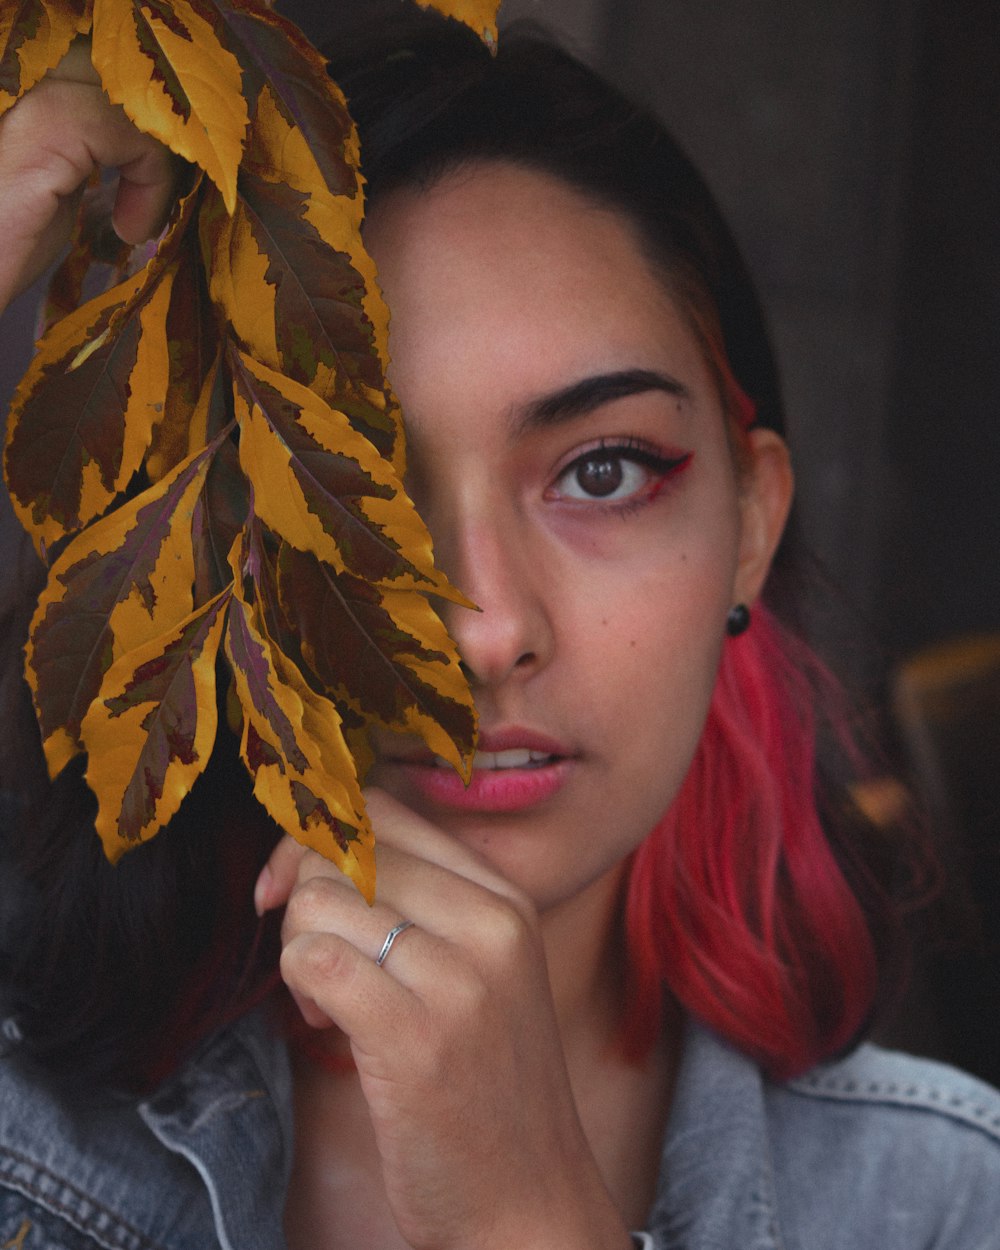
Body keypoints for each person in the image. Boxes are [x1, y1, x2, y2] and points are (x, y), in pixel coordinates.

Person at [1, 11, 999, 1250]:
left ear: (750, 524)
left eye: (602, 472)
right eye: (352, 481)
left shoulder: (954, 1205)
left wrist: (533, 1220)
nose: (479, 630)